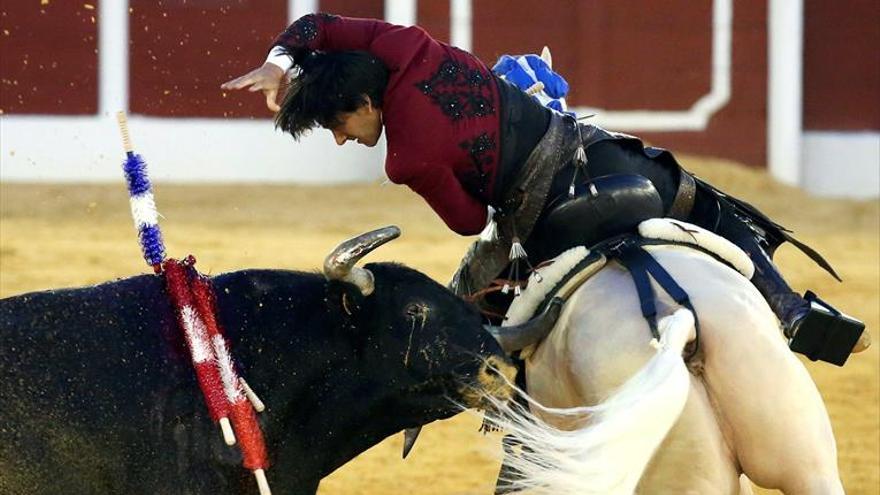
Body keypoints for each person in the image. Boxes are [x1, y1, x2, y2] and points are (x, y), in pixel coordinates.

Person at [221, 13, 865, 365]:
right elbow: (317, 24)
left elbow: (471, 222)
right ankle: (793, 311)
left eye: (338, 123)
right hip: (605, 160)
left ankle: (502, 400)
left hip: (558, 218)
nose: (341, 138)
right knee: (710, 205)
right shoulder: (409, 45)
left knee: (481, 303)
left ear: (364, 100)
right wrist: (282, 61)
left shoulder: (408, 159)